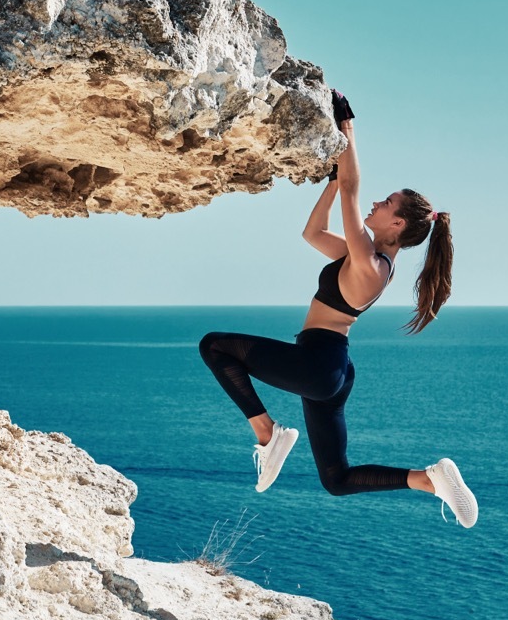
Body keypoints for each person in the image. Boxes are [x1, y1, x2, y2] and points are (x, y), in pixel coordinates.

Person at [199, 90, 478, 528]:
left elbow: (353, 189)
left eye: (385, 203)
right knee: (337, 479)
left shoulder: (368, 263)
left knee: (214, 346)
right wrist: (331, 179)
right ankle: (428, 479)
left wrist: (347, 130)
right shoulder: (371, 260)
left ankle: (267, 433)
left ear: (398, 224)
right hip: (332, 370)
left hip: (319, 363)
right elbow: (313, 232)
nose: (375, 204)